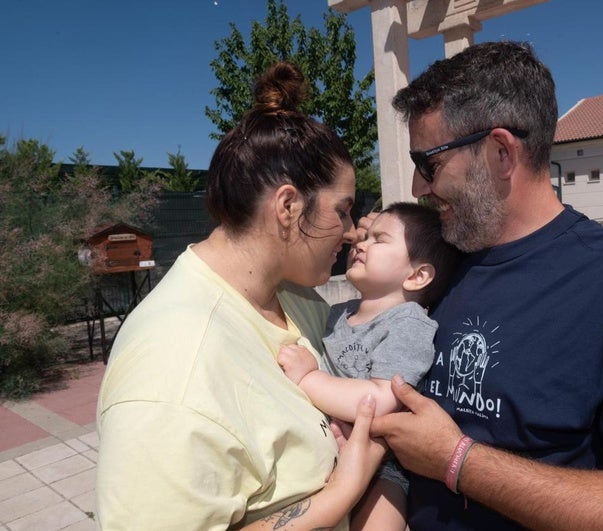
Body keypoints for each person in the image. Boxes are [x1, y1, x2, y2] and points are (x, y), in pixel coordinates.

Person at [368, 41, 603, 530]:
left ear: (500, 152)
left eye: (428, 163)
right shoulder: (440, 264)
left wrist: (457, 460)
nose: (418, 187)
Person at [95, 62, 385, 531]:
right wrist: (340, 494)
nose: (352, 233)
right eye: (344, 211)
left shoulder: (297, 300)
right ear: (289, 207)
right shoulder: (175, 369)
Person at [277, 202, 461, 531]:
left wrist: (308, 378)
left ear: (417, 276)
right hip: (323, 453)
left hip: (382, 467)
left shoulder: (408, 324)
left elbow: (381, 398)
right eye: (364, 237)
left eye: (379, 239)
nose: (360, 243)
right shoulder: (336, 313)